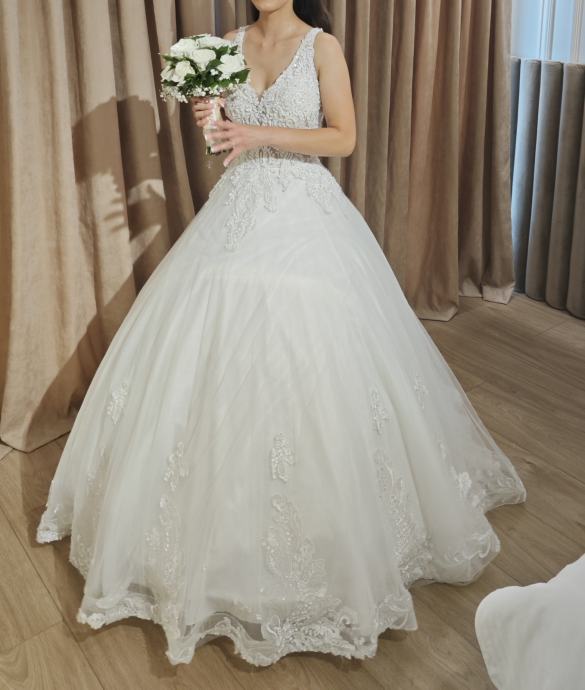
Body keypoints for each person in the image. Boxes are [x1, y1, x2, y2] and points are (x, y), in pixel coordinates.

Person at [37, 0, 526, 668]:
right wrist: (213, 120)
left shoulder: (322, 46)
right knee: (209, 341)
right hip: (237, 207)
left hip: (304, 211)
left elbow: (343, 139)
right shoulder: (224, 44)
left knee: (306, 351)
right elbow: (224, 143)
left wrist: (256, 133)